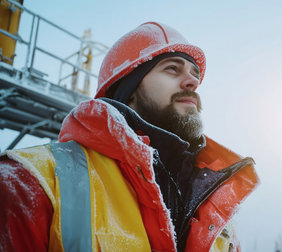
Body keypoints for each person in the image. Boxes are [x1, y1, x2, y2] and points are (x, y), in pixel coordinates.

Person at [0, 22, 259, 251]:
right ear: (129, 90)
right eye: (172, 68)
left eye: (194, 73)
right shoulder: (31, 182)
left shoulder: (216, 215)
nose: (192, 80)